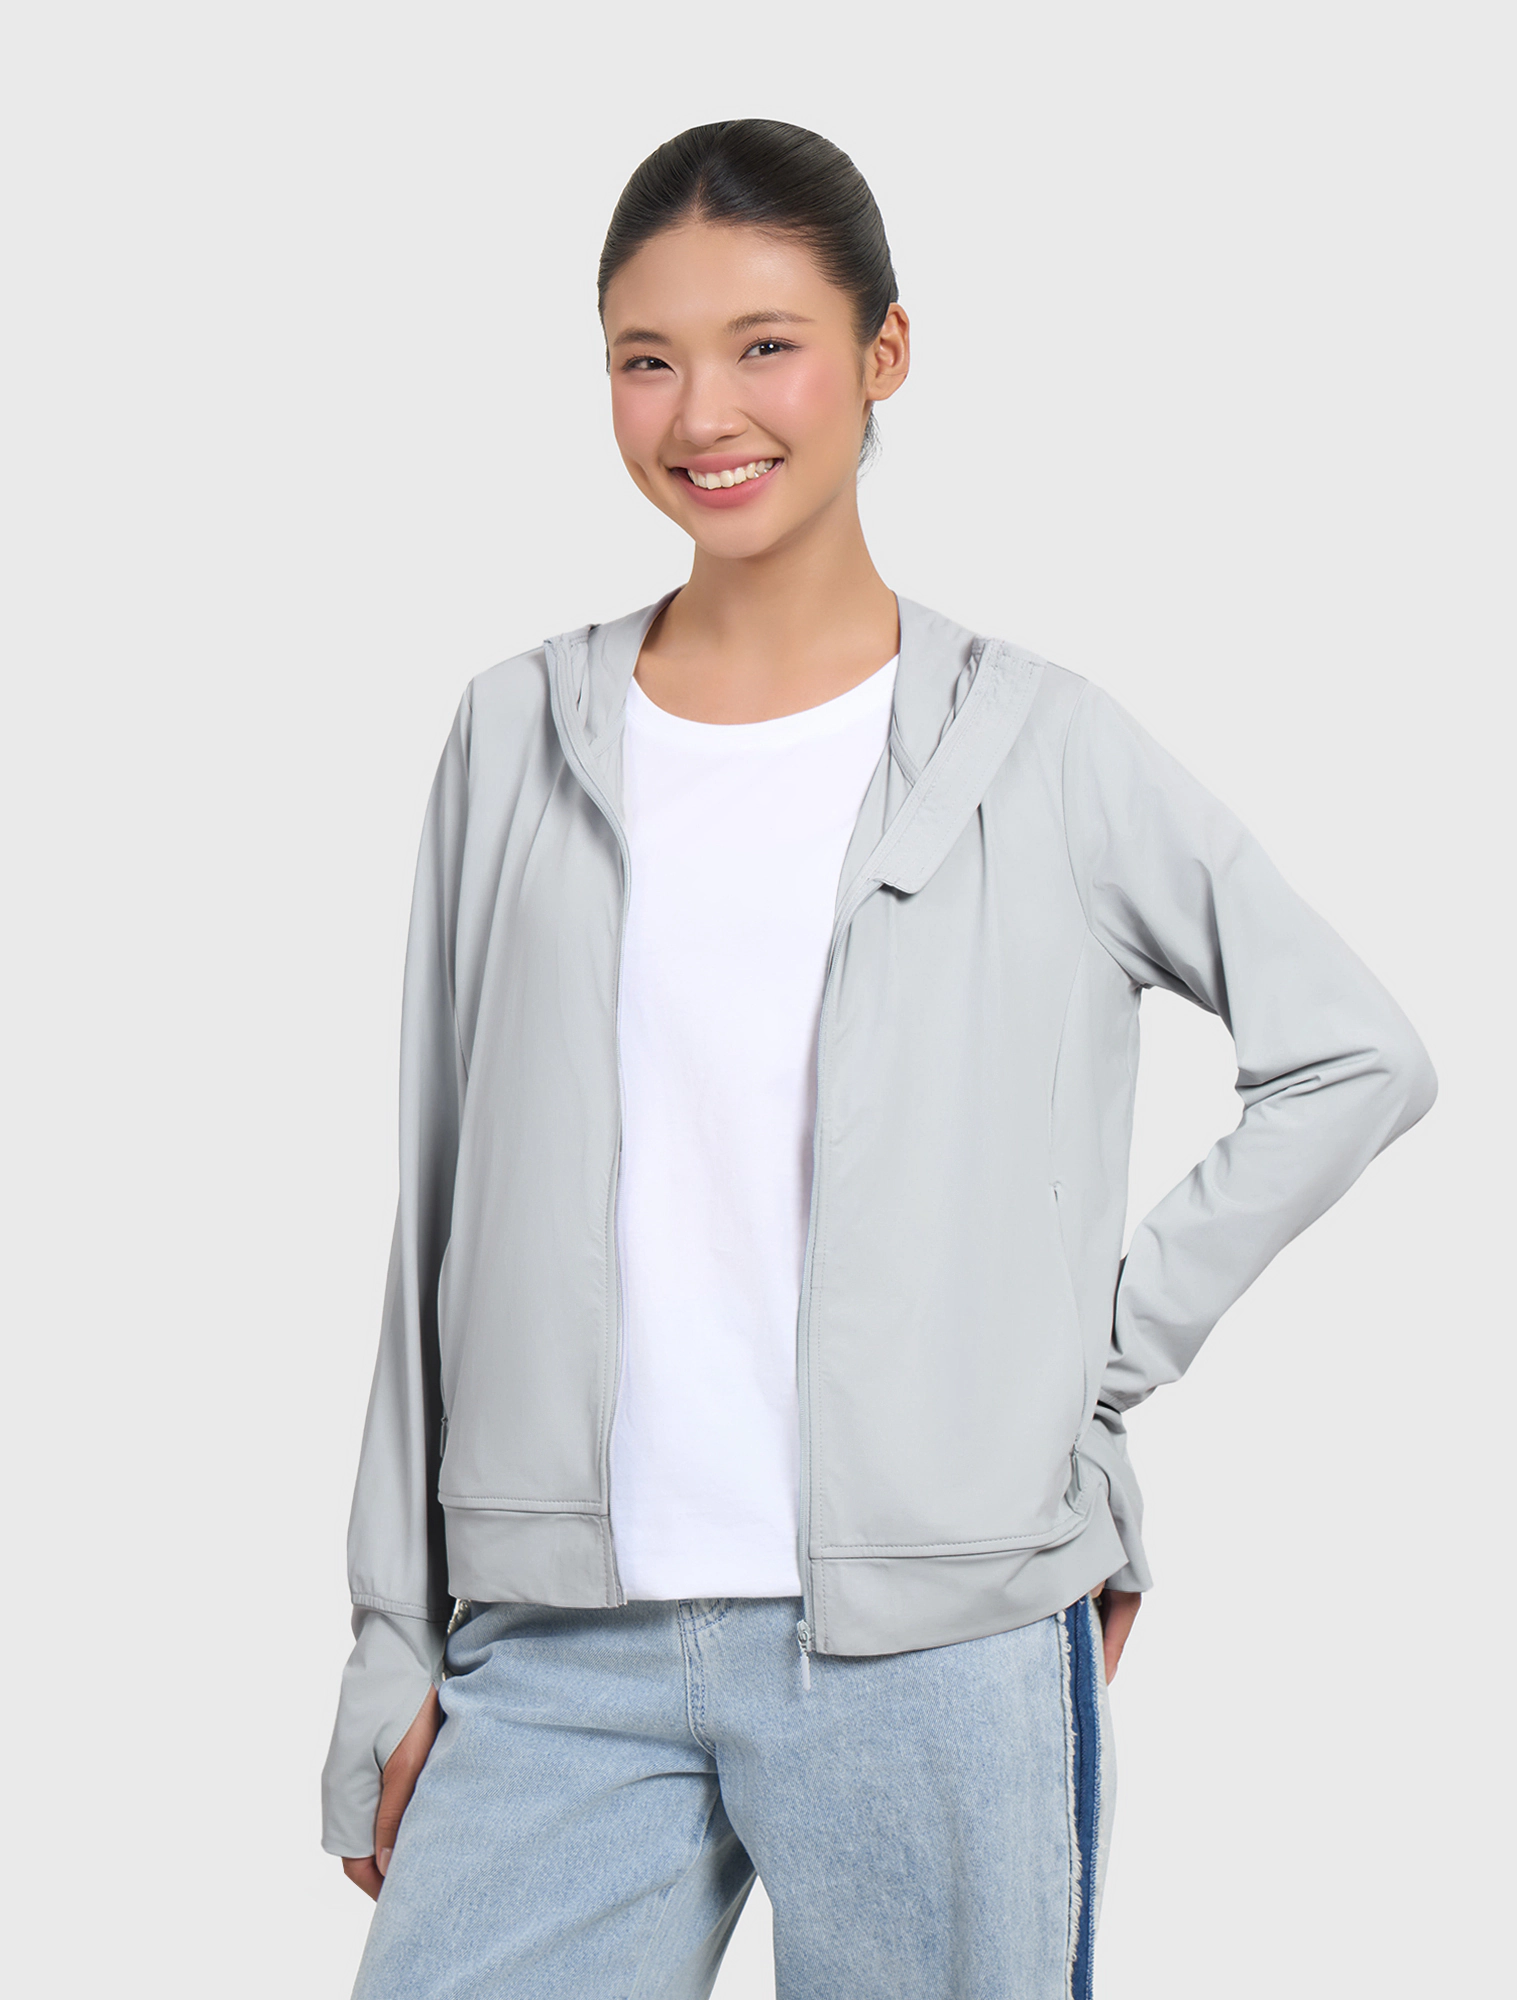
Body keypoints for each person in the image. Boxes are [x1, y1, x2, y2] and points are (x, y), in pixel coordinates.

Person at [320, 120, 1436, 1999]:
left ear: (883, 354)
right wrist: (390, 1633)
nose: (703, 413)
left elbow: (1353, 1057)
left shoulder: (1044, 748)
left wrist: (1080, 1377)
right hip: (558, 1646)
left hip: (939, 1647)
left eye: (766, 344)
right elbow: (431, 1210)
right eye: (647, 357)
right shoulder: (513, 735)